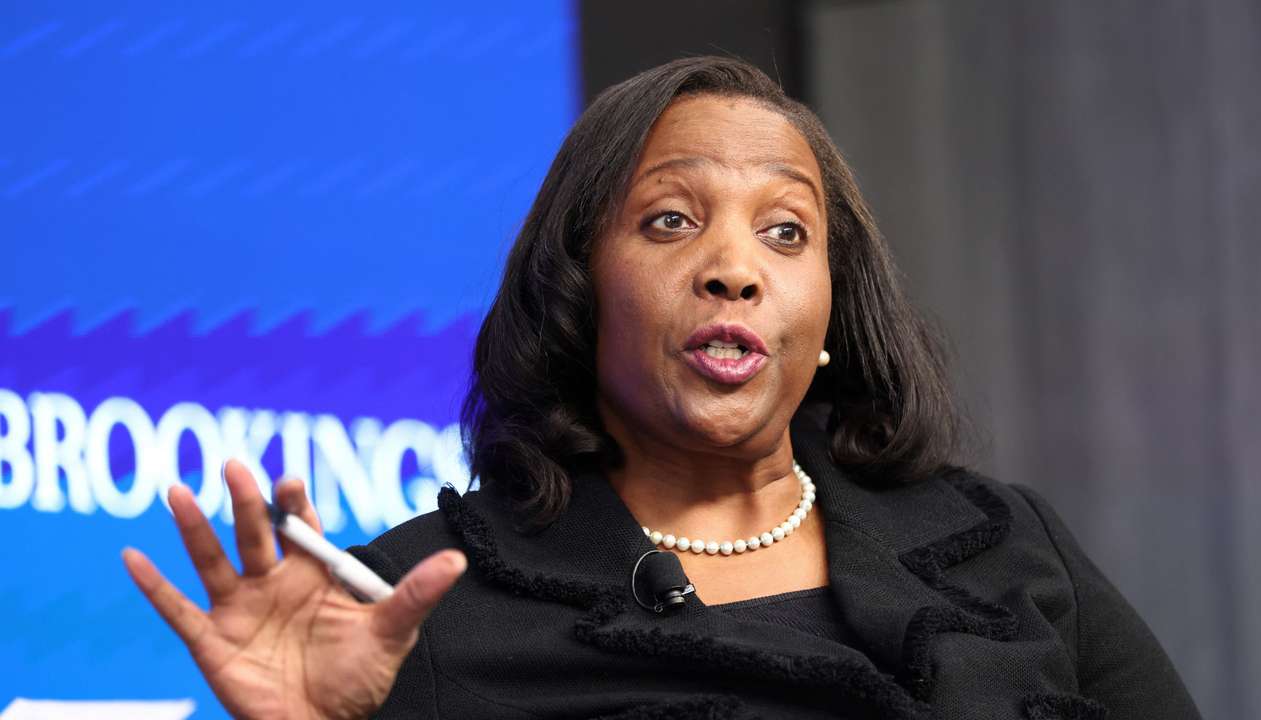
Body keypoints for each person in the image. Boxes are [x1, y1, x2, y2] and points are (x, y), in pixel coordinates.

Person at [121, 57, 1202, 719]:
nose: (734, 266)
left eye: (785, 232)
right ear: (577, 292)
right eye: (670, 221)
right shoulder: (410, 611)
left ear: (829, 313)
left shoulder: (1006, 544)